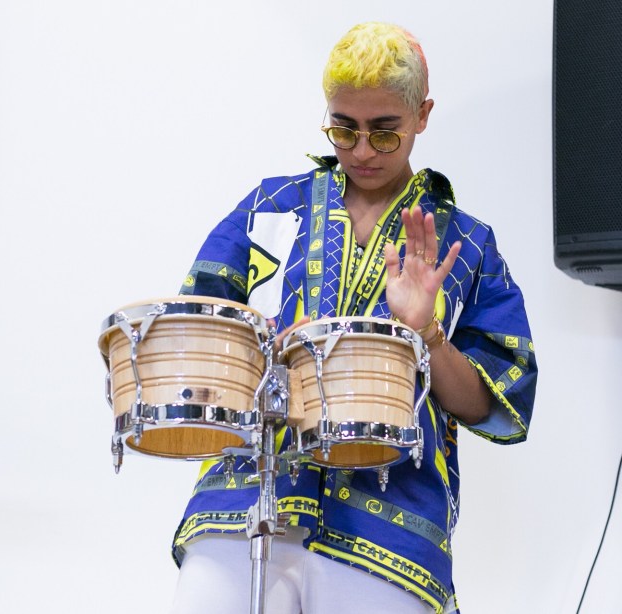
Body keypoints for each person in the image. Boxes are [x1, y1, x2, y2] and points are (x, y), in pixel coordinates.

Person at [168, 22, 537, 614]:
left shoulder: (464, 244)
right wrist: (266, 350)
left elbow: (492, 403)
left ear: (422, 115)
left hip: (391, 525)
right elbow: (196, 336)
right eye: (344, 129)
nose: (362, 151)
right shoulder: (270, 209)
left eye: (384, 132)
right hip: (245, 497)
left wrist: (426, 335)